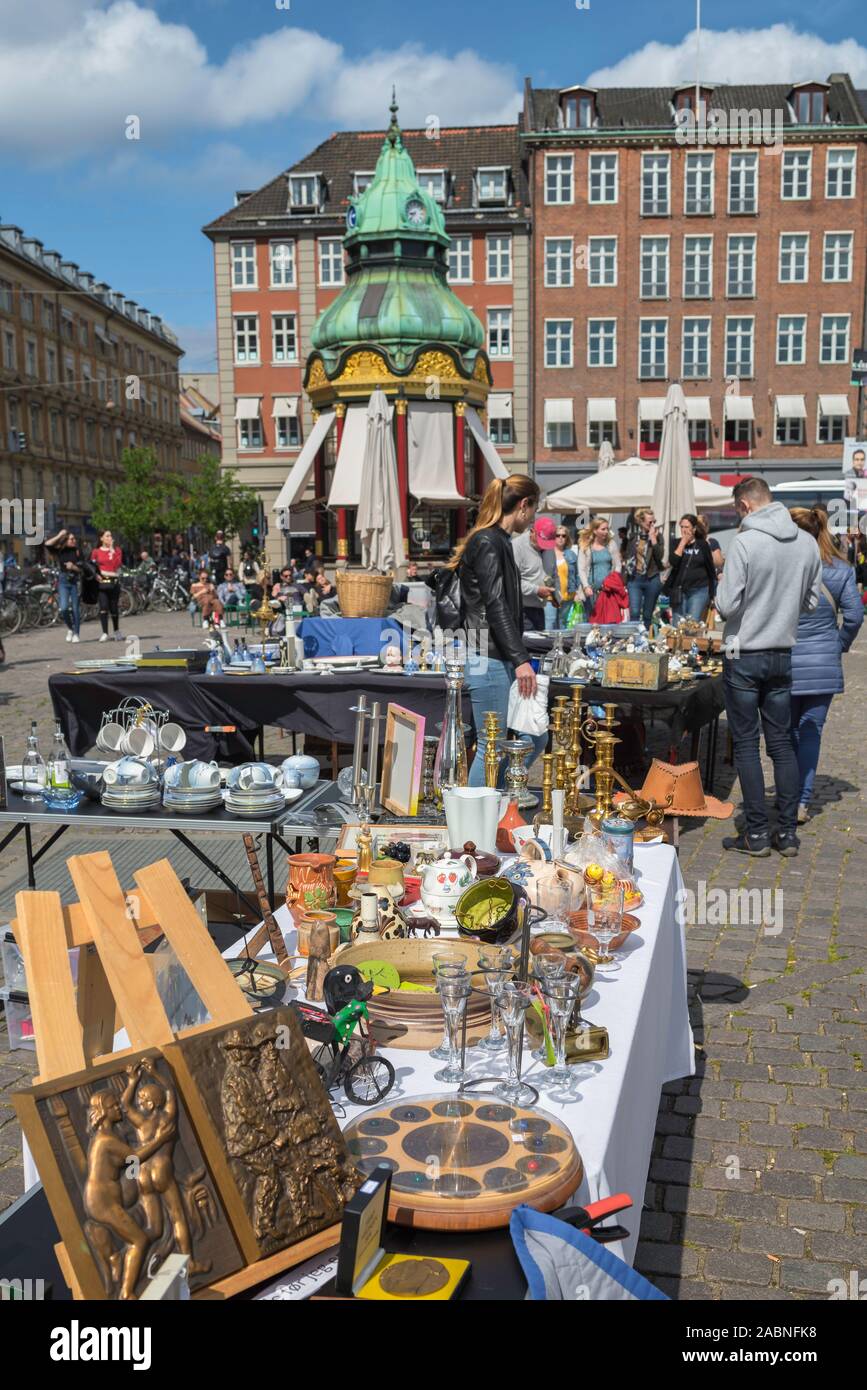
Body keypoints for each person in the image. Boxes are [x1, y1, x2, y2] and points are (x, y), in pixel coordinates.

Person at [715, 476, 822, 858]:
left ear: (744, 505)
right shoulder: (807, 543)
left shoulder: (744, 542)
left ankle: (757, 833)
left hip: (744, 652)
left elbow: (727, 606)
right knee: (781, 744)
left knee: (747, 744)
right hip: (781, 652)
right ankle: (788, 833)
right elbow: (810, 603)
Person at [447, 474, 548, 787]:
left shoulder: (496, 541)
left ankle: (496, 801)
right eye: (534, 510)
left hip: (494, 653)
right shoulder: (489, 541)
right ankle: (474, 823)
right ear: (523, 505)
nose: (533, 518)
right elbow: (495, 604)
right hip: (486, 655)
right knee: (492, 747)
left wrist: (516, 656)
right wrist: (521, 660)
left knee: (533, 737)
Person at [789, 507, 863, 825]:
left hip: (786, 660)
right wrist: (839, 644)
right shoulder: (841, 569)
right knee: (811, 731)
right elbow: (855, 616)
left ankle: (788, 794)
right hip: (824, 661)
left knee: (786, 732)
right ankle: (802, 801)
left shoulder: (785, 568)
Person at [666, 514, 717, 622]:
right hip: (680, 590)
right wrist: (683, 543)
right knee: (678, 624)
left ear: (693, 529)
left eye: (687, 527)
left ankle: (691, 639)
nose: (684, 530)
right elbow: (673, 562)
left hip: (699, 589)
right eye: (682, 527)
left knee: (692, 623)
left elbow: (710, 569)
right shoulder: (676, 543)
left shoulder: (702, 545)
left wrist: (713, 593)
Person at [511, 516, 557, 631]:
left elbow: (554, 574)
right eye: (541, 541)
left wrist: (557, 596)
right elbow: (513, 581)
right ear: (532, 531)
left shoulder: (549, 547)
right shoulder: (517, 546)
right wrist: (536, 590)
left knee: (539, 646)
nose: (544, 546)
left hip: (540, 609)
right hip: (522, 610)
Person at [623, 508, 664, 627]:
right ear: (641, 522)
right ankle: (635, 639)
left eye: (653, 522)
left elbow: (659, 555)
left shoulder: (658, 536)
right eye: (649, 522)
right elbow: (628, 555)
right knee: (634, 612)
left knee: (647, 614)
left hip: (651, 578)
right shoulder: (632, 537)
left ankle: (645, 639)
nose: (652, 525)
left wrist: (654, 539)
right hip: (635, 578)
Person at [577, 517, 621, 615]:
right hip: (591, 592)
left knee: (608, 620)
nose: (606, 532)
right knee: (593, 621)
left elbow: (618, 565)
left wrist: (613, 581)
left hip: (608, 591)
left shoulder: (611, 544)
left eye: (607, 529)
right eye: (603, 529)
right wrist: (586, 587)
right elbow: (581, 569)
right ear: (595, 531)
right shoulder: (586, 546)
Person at [45, 527, 83, 642]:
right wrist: (59, 535)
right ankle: (70, 628)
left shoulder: (77, 551)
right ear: (66, 540)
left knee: (75, 608)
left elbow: (82, 568)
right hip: (63, 580)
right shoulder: (60, 550)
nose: (73, 540)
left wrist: (74, 567)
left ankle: (76, 633)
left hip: (74, 581)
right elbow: (47, 544)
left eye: (74, 539)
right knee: (64, 608)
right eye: (71, 539)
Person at [90, 529, 123, 642]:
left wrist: (112, 551)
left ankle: (117, 630)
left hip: (114, 582)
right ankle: (105, 632)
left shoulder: (117, 550)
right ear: (102, 538)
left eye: (110, 536)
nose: (110, 538)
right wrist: (95, 575)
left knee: (114, 608)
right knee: (103, 607)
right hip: (102, 583)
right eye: (107, 536)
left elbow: (117, 565)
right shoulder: (96, 551)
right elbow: (92, 566)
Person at [548, 524, 579, 629]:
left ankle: (563, 646)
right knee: (550, 624)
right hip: (550, 596)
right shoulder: (546, 554)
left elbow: (577, 574)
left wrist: (577, 592)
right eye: (558, 535)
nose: (560, 538)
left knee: (564, 625)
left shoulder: (571, 554)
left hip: (567, 596)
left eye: (564, 536)